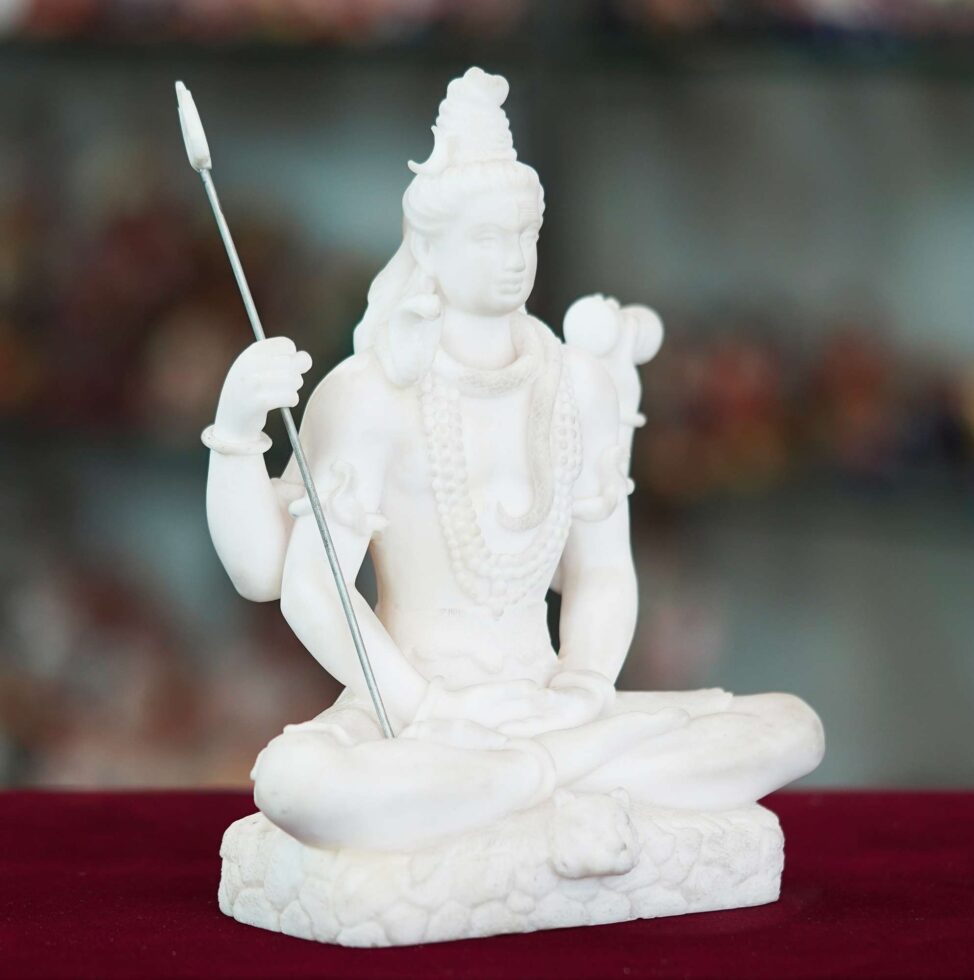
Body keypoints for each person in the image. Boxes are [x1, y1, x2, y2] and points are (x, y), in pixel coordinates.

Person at [202, 68, 823, 851]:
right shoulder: (372, 394)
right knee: (298, 783)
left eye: (525, 234)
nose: (513, 257)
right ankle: (552, 784)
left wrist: (583, 685)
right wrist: (428, 710)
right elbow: (309, 588)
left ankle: (518, 783)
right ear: (429, 249)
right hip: (413, 714)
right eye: (488, 237)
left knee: (791, 727)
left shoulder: (580, 386)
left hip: (551, 701)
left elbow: (602, 572)